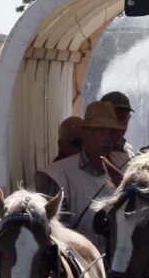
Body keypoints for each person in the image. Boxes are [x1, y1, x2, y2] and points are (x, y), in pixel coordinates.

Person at [36, 101, 126, 248]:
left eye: (112, 132)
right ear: (86, 133)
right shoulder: (57, 174)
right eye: (102, 131)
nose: (109, 138)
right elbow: (50, 231)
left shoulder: (127, 167)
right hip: (78, 264)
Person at [100, 91, 138, 159]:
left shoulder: (129, 153)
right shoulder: (90, 150)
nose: (120, 124)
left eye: (124, 118)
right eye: (116, 117)